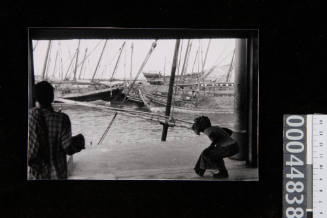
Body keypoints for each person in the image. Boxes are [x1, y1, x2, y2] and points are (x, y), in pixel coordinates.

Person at [28, 81, 85, 180]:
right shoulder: (62, 119)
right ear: (52, 97)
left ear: (35, 97)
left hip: (35, 175)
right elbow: (68, 148)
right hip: (57, 173)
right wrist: (80, 140)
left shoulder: (30, 116)